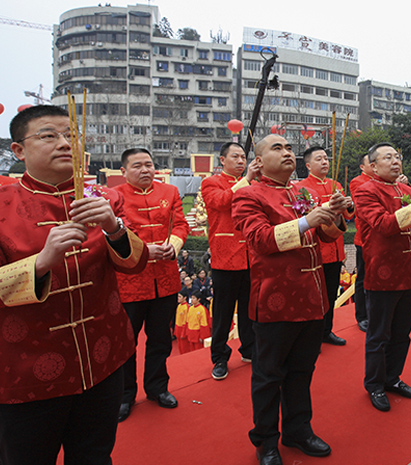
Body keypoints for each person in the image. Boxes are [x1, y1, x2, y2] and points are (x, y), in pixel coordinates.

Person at [0, 105, 148, 464]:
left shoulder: (106, 199)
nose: (65, 144)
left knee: (95, 455)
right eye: (49, 135)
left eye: (72, 136)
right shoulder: (3, 204)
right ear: (18, 150)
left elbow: (135, 264)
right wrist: (39, 263)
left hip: (103, 358)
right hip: (26, 371)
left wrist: (114, 228)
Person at [233, 134, 348, 464]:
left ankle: (298, 430)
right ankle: (266, 440)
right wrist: (306, 221)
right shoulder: (248, 195)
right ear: (259, 159)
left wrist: (335, 216)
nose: (287, 152)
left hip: (312, 298)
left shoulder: (304, 192)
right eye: (277, 148)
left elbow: (325, 234)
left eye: (288, 148)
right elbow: (260, 240)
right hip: (275, 301)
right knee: (269, 376)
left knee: (302, 371)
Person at [353, 143, 411, 412]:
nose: (395, 161)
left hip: (408, 271)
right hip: (382, 273)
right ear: (373, 165)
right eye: (387, 157)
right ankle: (375, 384)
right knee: (379, 334)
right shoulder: (365, 191)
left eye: (398, 157)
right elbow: (383, 224)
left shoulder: (405, 190)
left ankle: (392, 378)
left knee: (402, 333)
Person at [113, 147, 189, 422]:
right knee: (126, 343)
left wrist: (174, 244)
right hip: (129, 282)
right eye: (137, 166)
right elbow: (109, 236)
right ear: (123, 171)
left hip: (166, 281)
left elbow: (180, 224)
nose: (145, 170)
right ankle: (124, 395)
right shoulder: (114, 196)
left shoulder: (169, 193)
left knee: (160, 340)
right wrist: (143, 250)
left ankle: (157, 388)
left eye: (149, 164)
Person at [200, 141, 259, 380]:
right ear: (222, 160)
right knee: (223, 312)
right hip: (225, 257)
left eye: (243, 157)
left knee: (249, 308)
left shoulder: (253, 183)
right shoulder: (211, 182)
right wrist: (247, 180)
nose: (241, 161)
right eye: (235, 157)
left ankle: (249, 349)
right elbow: (222, 202)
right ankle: (220, 357)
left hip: (251, 256)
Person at [295, 146, 355, 346]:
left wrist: (349, 205)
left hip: (335, 249)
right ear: (308, 165)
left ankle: (326, 331)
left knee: (330, 294)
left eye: (326, 158)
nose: (324, 162)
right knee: (313, 296)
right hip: (316, 250)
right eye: (319, 159)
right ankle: (310, 337)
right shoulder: (301, 187)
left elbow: (348, 216)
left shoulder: (335, 184)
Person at [349, 154, 374, 332]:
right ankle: (362, 316)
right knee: (362, 279)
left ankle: (375, 313)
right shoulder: (358, 182)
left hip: (383, 241)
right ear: (362, 167)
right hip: (364, 240)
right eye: (370, 163)